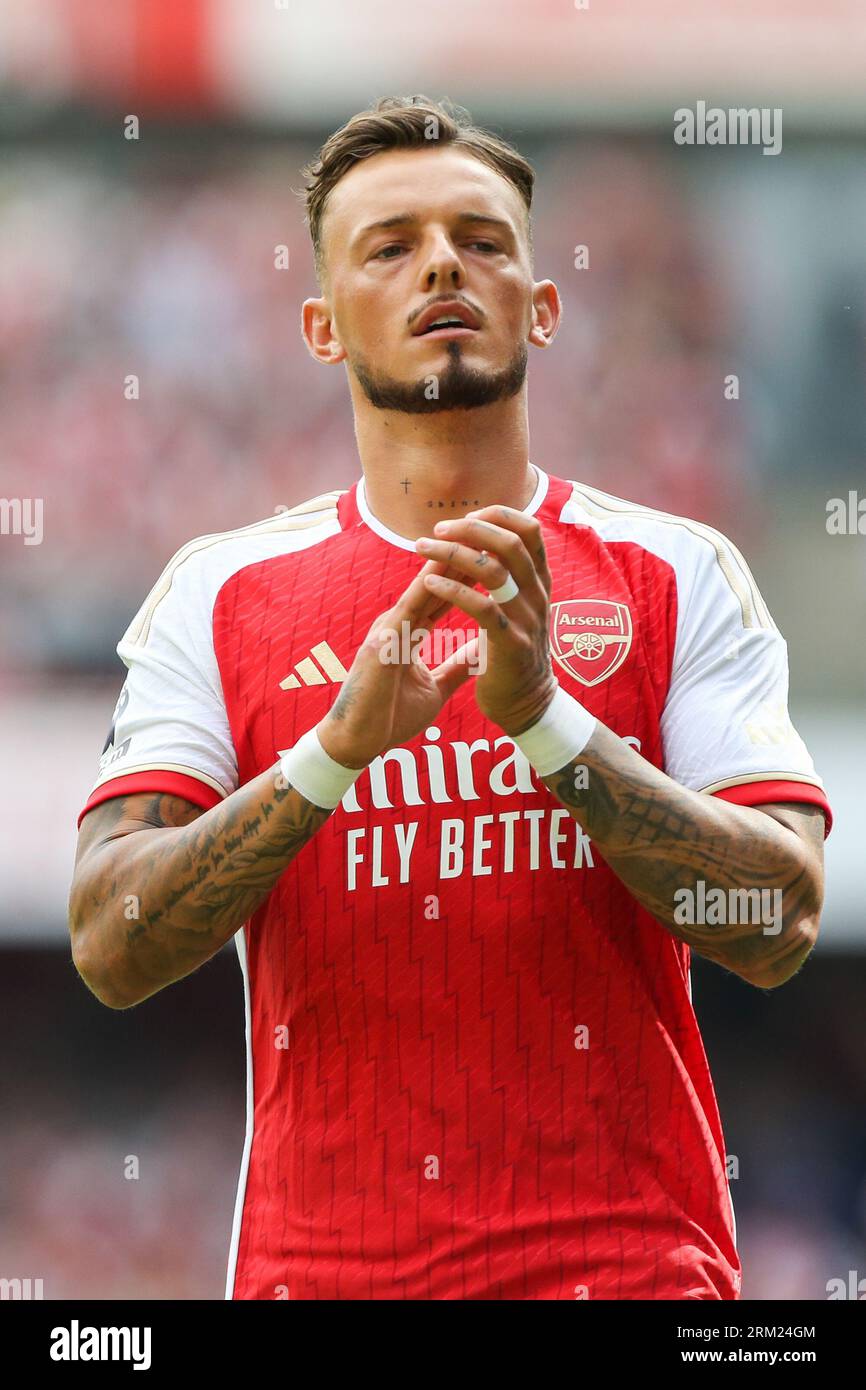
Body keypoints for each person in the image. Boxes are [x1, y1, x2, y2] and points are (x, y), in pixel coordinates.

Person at [69, 95, 830, 1301]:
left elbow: (776, 922)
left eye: (480, 239)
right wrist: (331, 752)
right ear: (322, 328)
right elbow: (112, 945)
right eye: (390, 243)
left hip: (633, 1282)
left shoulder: (673, 571)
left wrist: (550, 726)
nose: (440, 264)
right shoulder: (220, 594)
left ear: (542, 304)